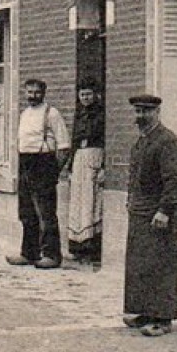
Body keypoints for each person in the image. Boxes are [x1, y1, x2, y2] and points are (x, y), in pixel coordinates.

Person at [123, 94, 177, 337]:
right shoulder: (141, 142)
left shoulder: (167, 142)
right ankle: (143, 311)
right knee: (140, 264)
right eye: (138, 112)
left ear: (157, 113)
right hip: (139, 212)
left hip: (158, 214)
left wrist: (165, 210)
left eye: (145, 112)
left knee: (161, 264)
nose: (140, 116)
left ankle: (162, 318)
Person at [6, 78, 71, 269]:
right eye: (29, 92)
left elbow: (65, 146)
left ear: (43, 93)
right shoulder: (25, 114)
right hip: (25, 163)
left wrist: (52, 171)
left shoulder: (52, 113)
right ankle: (29, 253)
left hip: (43, 163)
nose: (32, 96)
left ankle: (51, 255)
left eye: (36, 92)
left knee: (46, 213)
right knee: (26, 212)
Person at [66, 83, 106, 267]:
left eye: (89, 94)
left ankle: (92, 249)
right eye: (82, 95)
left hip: (94, 156)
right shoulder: (79, 115)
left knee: (91, 204)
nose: (85, 98)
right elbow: (74, 140)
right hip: (79, 159)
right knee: (78, 204)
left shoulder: (102, 115)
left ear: (96, 95)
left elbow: (106, 141)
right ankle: (77, 247)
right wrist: (70, 167)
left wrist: (104, 167)